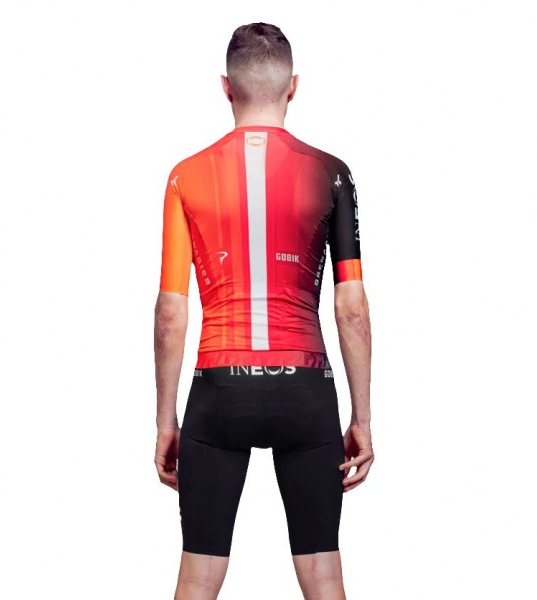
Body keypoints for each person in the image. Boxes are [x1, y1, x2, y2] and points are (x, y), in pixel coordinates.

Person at [154, 22, 373, 600]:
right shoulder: (332, 172)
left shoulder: (184, 176)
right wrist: (362, 417)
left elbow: (171, 313)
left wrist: (166, 421)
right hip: (306, 390)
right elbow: (350, 308)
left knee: (198, 576)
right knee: (322, 574)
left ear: (226, 87)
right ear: (293, 86)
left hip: (218, 390)